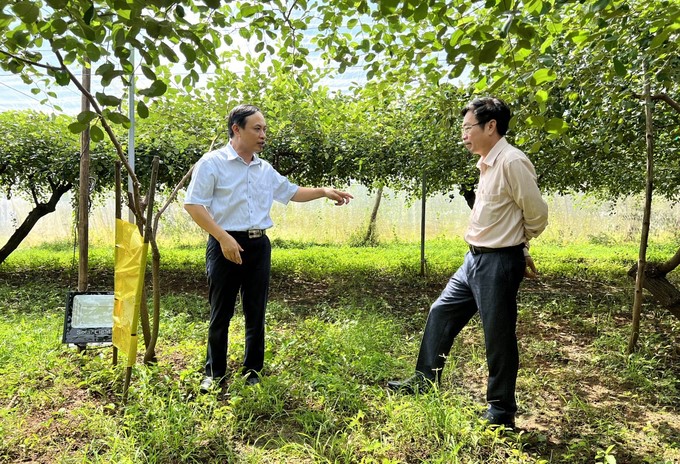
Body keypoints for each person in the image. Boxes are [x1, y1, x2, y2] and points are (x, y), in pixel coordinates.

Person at [387, 97, 549, 428]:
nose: (463, 134)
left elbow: (536, 215)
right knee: (441, 312)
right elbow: (505, 215)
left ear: (491, 127)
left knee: (497, 336)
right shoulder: (488, 163)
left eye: (467, 127)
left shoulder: (512, 162)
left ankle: (501, 413)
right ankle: (423, 380)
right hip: (473, 260)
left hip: (498, 263)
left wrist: (518, 248)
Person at [184, 104, 353, 393]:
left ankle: (253, 371)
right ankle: (214, 373)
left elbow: (291, 192)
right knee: (220, 311)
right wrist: (223, 237)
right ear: (236, 129)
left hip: (258, 245)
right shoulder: (212, 163)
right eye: (257, 129)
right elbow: (193, 205)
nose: (263, 135)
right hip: (224, 243)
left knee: (255, 310)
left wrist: (323, 192)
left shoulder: (264, 168)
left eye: (265, 129)